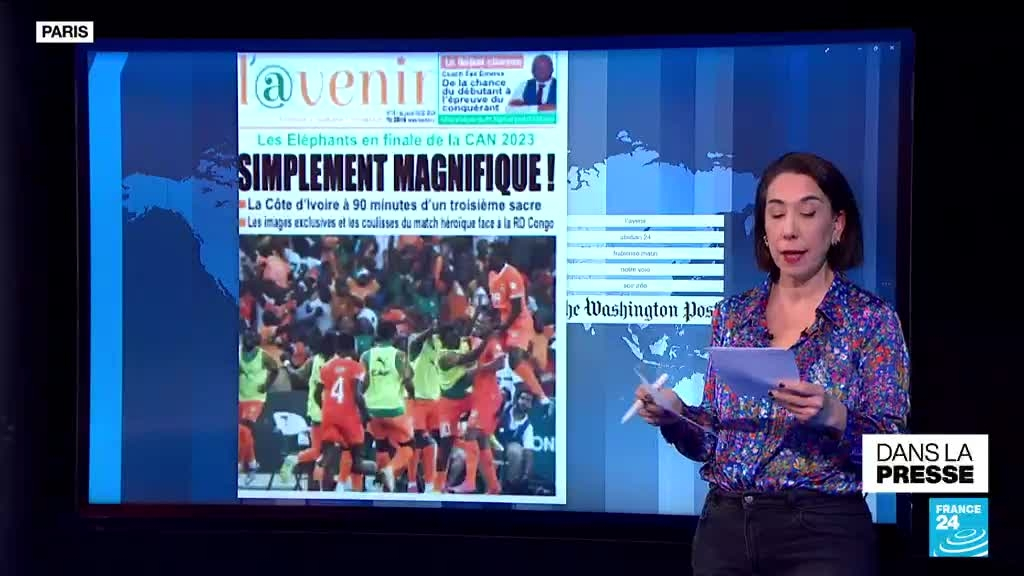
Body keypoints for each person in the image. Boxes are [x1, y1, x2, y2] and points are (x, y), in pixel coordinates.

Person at [634, 152, 909, 576]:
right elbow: (714, 443)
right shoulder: (732, 316)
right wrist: (676, 415)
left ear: (837, 225)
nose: (790, 229)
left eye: (807, 213)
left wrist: (834, 417)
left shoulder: (871, 320)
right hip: (725, 531)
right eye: (776, 214)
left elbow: (898, 459)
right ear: (764, 229)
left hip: (823, 536)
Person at [486, 242, 552, 414]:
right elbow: (497, 305)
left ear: (500, 257)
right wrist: (490, 319)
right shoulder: (491, 275)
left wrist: (502, 327)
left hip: (519, 323)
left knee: (515, 358)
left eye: (490, 254)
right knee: (490, 346)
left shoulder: (512, 274)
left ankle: (541, 396)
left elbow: (516, 309)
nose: (487, 257)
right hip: (504, 323)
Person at [446, 311, 507, 494]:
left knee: (471, 434)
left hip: (489, 397)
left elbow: (501, 363)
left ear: (492, 324)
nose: (478, 325)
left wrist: (480, 369)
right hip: (481, 396)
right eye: (478, 322)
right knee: (482, 441)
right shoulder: (481, 343)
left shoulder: (493, 342)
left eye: (482, 322)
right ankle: (494, 486)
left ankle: (470, 482)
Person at [316, 330, 375, 492]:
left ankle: (324, 493)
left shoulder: (326, 367)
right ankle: (382, 473)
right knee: (357, 462)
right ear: (353, 348)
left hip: (329, 414)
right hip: (349, 417)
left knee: (328, 457)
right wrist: (366, 415)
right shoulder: (357, 367)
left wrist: (326, 409)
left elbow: (316, 393)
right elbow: (357, 395)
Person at [360, 321, 416, 492]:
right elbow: (408, 380)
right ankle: (390, 470)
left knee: (381, 445)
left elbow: (363, 383)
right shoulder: (399, 355)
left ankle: (384, 486)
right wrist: (412, 394)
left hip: (372, 409)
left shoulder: (366, 356)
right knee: (409, 446)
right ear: (394, 336)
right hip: (394, 409)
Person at [238, 329, 280, 484]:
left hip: (256, 398)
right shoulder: (238, 353)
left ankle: (240, 465)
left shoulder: (263, 355)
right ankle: (252, 463)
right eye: (247, 340)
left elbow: (275, 369)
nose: (249, 343)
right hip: (240, 397)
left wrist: (266, 385)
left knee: (245, 427)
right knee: (242, 433)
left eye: (252, 340)